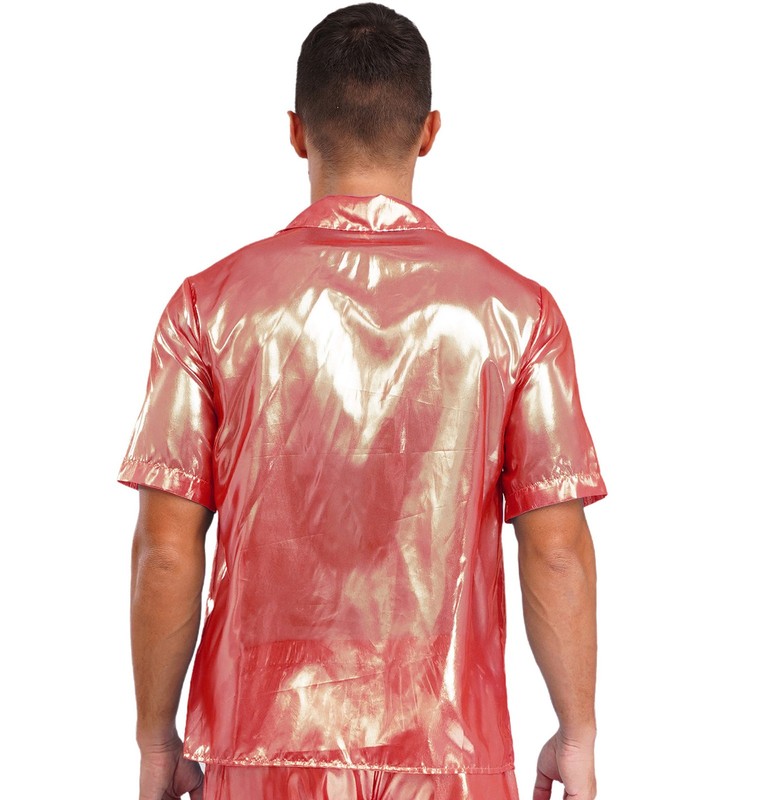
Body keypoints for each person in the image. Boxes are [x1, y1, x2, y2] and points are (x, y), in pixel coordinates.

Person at [118, 4, 607, 799]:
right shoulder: (520, 313)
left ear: (296, 131)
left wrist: (154, 741)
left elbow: (167, 548)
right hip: (453, 761)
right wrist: (576, 734)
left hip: (258, 758)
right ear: (429, 131)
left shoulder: (207, 307)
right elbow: (555, 549)